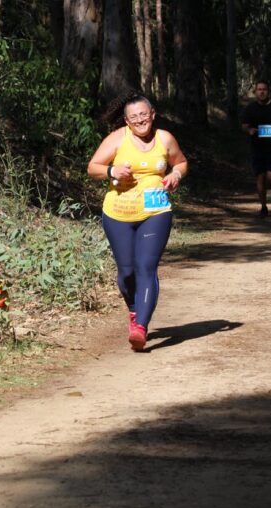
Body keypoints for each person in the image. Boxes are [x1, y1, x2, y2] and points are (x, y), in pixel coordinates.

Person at [88, 92, 188, 351]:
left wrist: (176, 173)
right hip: (118, 214)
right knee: (126, 274)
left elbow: (182, 162)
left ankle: (141, 327)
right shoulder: (117, 139)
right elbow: (93, 167)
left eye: (144, 115)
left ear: (153, 115)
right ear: (126, 121)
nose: (141, 120)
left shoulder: (164, 138)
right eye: (134, 117)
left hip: (156, 213)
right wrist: (112, 171)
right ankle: (134, 309)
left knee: (146, 268)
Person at [240, 80, 271, 217]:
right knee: (260, 178)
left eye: (264, 89)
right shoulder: (251, 108)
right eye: (259, 89)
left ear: (268, 91)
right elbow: (244, 125)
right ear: (256, 92)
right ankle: (263, 207)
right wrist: (249, 129)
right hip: (257, 148)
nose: (262, 92)